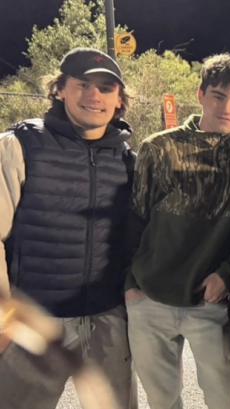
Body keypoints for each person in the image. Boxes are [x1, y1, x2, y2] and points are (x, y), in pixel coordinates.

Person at [0, 47, 137, 409]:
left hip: (107, 319)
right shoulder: (20, 145)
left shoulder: (127, 159)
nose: (94, 96)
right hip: (34, 321)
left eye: (106, 87)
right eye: (83, 84)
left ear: (119, 100)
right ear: (60, 89)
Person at [124, 54, 230, 409]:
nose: (226, 107)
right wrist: (130, 286)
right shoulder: (159, 147)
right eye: (218, 95)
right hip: (148, 299)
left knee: (223, 398)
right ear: (200, 94)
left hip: (209, 303)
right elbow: (133, 220)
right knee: (162, 400)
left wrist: (228, 275)